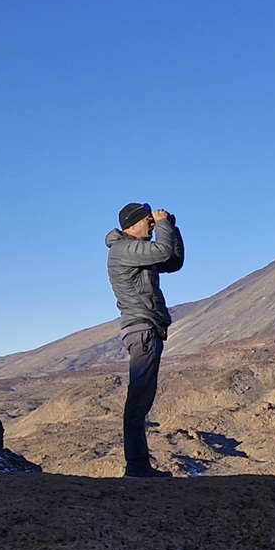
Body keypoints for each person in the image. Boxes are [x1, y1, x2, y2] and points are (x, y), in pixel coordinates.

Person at [105, 202, 185, 478]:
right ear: (132, 224)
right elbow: (162, 250)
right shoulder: (124, 250)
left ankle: (138, 466)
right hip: (142, 329)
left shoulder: (135, 251)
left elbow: (172, 262)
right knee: (138, 399)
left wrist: (171, 228)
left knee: (141, 397)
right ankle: (137, 468)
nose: (151, 224)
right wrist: (163, 227)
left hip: (146, 328)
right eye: (147, 221)